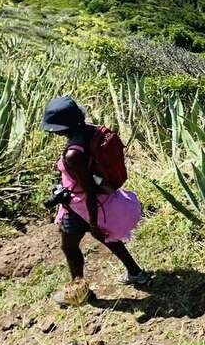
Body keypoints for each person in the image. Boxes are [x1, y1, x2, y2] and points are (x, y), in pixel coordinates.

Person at [42, 95, 149, 305]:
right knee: (107, 238)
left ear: (61, 128)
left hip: (80, 206)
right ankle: (136, 273)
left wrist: (92, 222)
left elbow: (89, 190)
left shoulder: (73, 154)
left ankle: (79, 292)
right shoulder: (91, 131)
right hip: (98, 200)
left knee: (70, 248)